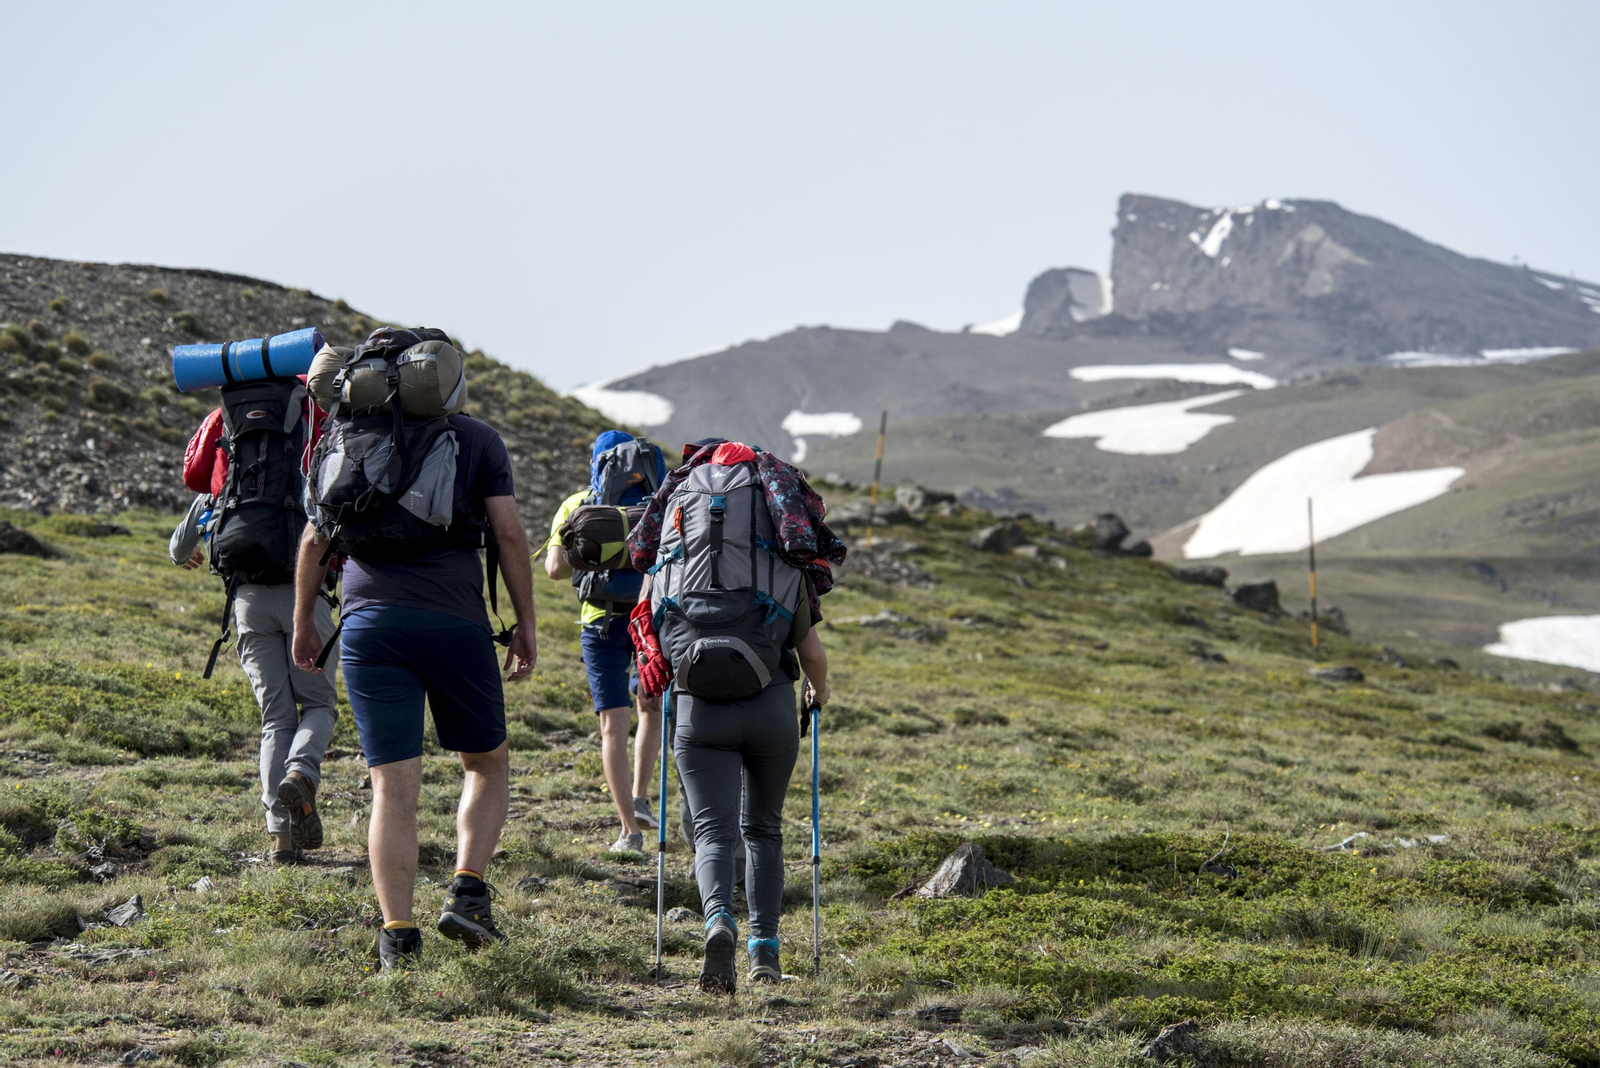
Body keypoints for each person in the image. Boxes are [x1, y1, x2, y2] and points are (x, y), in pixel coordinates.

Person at [291, 408, 538, 972]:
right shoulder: (477, 437)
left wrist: (306, 618)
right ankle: (469, 892)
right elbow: (509, 533)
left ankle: (398, 940)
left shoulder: (349, 438)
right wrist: (525, 621)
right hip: (456, 622)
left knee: (392, 788)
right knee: (485, 763)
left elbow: (312, 540)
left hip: (370, 626)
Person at [670, 586, 830, 990]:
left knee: (712, 833)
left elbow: (651, 638)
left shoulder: (672, 563)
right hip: (771, 708)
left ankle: (719, 918)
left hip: (699, 709)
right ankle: (764, 948)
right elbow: (810, 653)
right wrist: (820, 688)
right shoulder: (783, 565)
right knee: (762, 829)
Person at [170, 491, 340, 865]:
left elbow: (179, 547)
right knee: (317, 704)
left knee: (277, 718)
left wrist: (185, 554)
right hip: (309, 600)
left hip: (249, 600)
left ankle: (281, 839)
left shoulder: (231, 470)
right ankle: (300, 772)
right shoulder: (316, 463)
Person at [544, 430, 666, 852]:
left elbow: (555, 570)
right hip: (650, 617)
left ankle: (629, 831)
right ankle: (642, 797)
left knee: (612, 728)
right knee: (650, 707)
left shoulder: (579, 504)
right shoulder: (657, 503)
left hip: (600, 621)